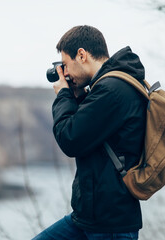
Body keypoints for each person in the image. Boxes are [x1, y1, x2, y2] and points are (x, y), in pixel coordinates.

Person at [33, 25, 147, 240]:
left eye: (65, 65)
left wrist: (64, 95)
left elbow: (70, 139)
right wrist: (76, 97)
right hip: (88, 217)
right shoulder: (105, 87)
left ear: (82, 55)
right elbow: (93, 132)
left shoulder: (113, 89)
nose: (65, 73)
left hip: (110, 225)